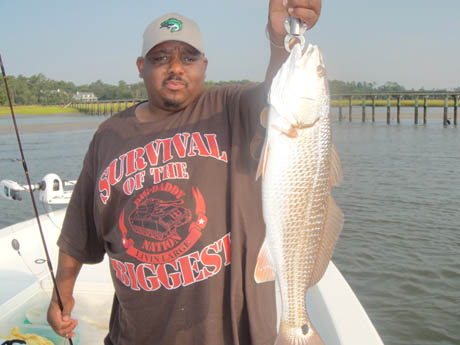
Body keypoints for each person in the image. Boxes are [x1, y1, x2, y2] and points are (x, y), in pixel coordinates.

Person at [47, 1, 321, 344]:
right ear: (140, 66)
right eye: (161, 58)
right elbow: (79, 228)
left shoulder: (233, 108)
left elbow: (280, 97)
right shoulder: (108, 135)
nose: (175, 68)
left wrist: (281, 41)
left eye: (188, 58)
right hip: (136, 334)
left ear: (204, 66)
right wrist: (63, 289)